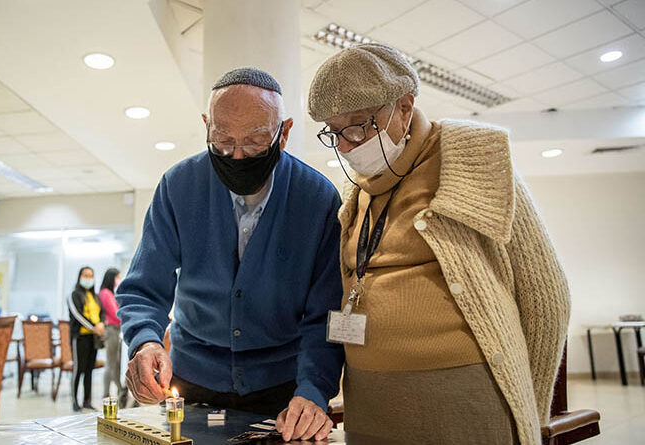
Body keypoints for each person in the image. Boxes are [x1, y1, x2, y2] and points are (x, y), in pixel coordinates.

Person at [306, 43, 571, 445]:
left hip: (463, 403)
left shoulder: (476, 161)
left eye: (359, 126)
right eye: (334, 132)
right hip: (371, 406)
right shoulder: (355, 193)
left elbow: (547, 299)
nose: (346, 145)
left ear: (404, 107)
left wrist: (526, 410)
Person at [117, 67, 344, 442]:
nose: (237, 155)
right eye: (222, 140)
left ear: (283, 133)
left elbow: (324, 317)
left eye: (255, 142)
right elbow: (143, 288)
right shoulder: (178, 187)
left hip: (283, 391)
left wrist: (313, 391)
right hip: (191, 383)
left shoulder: (317, 200)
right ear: (207, 125)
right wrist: (145, 341)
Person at [67, 266, 105, 412]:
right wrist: (93, 326)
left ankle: (87, 401)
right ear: (79, 277)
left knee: (90, 369)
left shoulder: (95, 296)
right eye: (85, 275)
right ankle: (74, 401)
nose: (88, 278)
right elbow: (77, 314)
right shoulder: (74, 294)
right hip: (80, 337)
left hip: (93, 338)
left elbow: (102, 313)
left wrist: (101, 324)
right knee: (78, 369)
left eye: (90, 275)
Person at [98, 268, 127, 405]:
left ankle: (121, 390)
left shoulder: (110, 293)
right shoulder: (105, 293)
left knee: (115, 364)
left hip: (116, 330)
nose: (118, 280)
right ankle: (106, 394)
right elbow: (116, 314)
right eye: (117, 277)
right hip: (111, 331)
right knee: (110, 364)